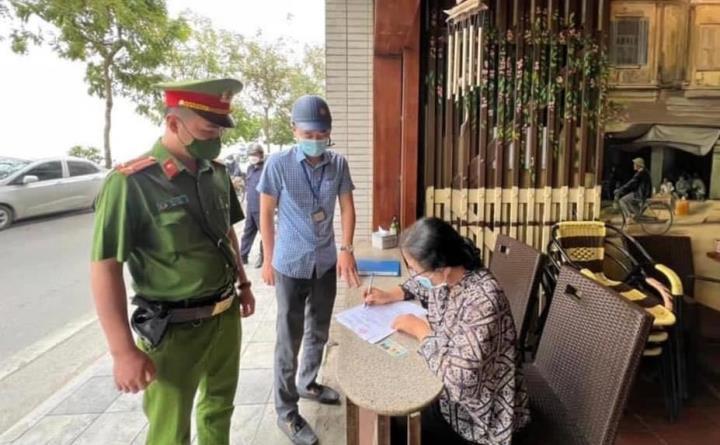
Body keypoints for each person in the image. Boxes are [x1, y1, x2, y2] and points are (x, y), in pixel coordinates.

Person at [90, 78, 256, 445]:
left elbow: (227, 234)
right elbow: (105, 267)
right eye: (207, 130)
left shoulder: (216, 173)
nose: (216, 138)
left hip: (225, 317)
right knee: (170, 431)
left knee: (219, 409)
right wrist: (122, 351)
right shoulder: (131, 184)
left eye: (220, 131)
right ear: (173, 123)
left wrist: (243, 283)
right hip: (173, 330)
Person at [364, 217, 530, 445]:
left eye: (415, 270)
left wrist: (421, 331)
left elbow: (459, 384)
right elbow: (419, 286)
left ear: (442, 267)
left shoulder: (482, 301)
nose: (413, 276)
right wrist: (389, 295)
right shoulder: (448, 279)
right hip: (448, 394)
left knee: (396, 424)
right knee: (392, 406)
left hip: (480, 417)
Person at [257, 95, 361, 445]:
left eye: (322, 135)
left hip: (325, 262)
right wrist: (268, 259)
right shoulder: (278, 164)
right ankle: (286, 412)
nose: (316, 141)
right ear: (294, 131)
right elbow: (265, 214)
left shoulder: (338, 163)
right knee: (289, 339)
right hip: (289, 263)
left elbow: (347, 208)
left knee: (318, 329)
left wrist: (346, 249)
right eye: (308, 134)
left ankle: (308, 382)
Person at [239, 143, 265, 267]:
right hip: (251, 207)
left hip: (262, 207)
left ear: (261, 155)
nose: (253, 157)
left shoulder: (266, 169)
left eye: (255, 154)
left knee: (264, 233)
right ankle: (242, 256)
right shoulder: (250, 168)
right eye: (250, 154)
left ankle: (264, 256)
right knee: (248, 231)